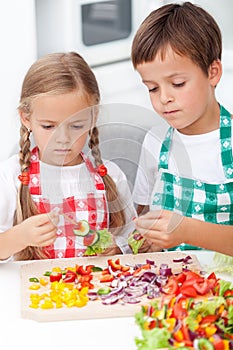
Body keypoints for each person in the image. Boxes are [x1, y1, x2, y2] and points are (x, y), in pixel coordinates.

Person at [0, 51, 137, 261]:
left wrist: (116, 248)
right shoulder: (11, 176)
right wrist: (20, 236)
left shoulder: (110, 175)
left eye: (76, 126)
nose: (63, 138)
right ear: (26, 118)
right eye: (48, 126)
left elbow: (131, 238)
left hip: (94, 290)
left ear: (93, 118)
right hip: (34, 291)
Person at [131, 2, 233, 256]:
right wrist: (141, 237)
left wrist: (187, 231)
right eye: (152, 88)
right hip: (165, 287)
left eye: (177, 83)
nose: (164, 97)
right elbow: (142, 217)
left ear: (213, 72)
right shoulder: (154, 141)